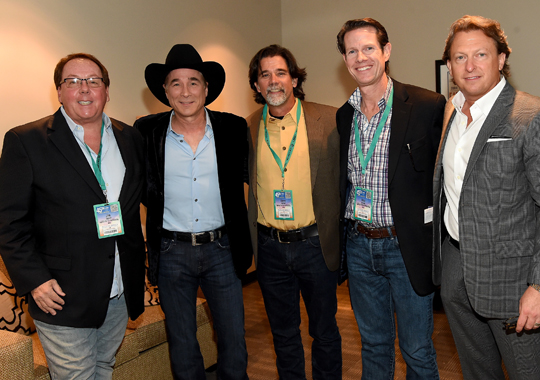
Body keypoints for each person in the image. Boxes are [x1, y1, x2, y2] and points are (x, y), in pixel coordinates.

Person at [432, 15, 540, 380]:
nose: (470, 65)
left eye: (481, 54)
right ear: (449, 65)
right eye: (460, 57)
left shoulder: (536, 115)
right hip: (458, 272)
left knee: (531, 374)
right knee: (478, 373)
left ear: (502, 59)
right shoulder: (452, 111)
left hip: (515, 282)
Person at [0, 53, 146, 379]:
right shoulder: (26, 141)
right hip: (61, 293)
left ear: (106, 91)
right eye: (73, 82)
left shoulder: (129, 138)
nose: (84, 89)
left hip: (119, 289)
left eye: (94, 81)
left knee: (103, 368)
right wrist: (34, 279)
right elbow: (9, 223)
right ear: (59, 91)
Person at [134, 44, 252, 380]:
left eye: (193, 82)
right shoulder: (147, 132)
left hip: (222, 250)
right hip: (172, 252)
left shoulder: (233, 129)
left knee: (233, 340)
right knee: (183, 342)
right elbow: (140, 186)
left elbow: (252, 178)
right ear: (165, 91)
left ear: (207, 89)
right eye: (176, 83)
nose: (185, 91)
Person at [336, 18, 445, 380]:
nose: (360, 57)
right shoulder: (344, 115)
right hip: (359, 246)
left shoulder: (426, 106)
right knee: (374, 345)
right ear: (345, 59)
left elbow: (443, 180)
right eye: (352, 50)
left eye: (368, 48)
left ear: (386, 51)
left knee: (416, 349)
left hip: (406, 246)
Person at [246, 44, 342, 380]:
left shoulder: (329, 119)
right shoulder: (248, 128)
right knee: (284, 334)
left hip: (315, 245)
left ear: (295, 78)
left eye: (281, 73)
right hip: (270, 248)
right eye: (265, 74)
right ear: (256, 85)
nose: (273, 81)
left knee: (324, 331)